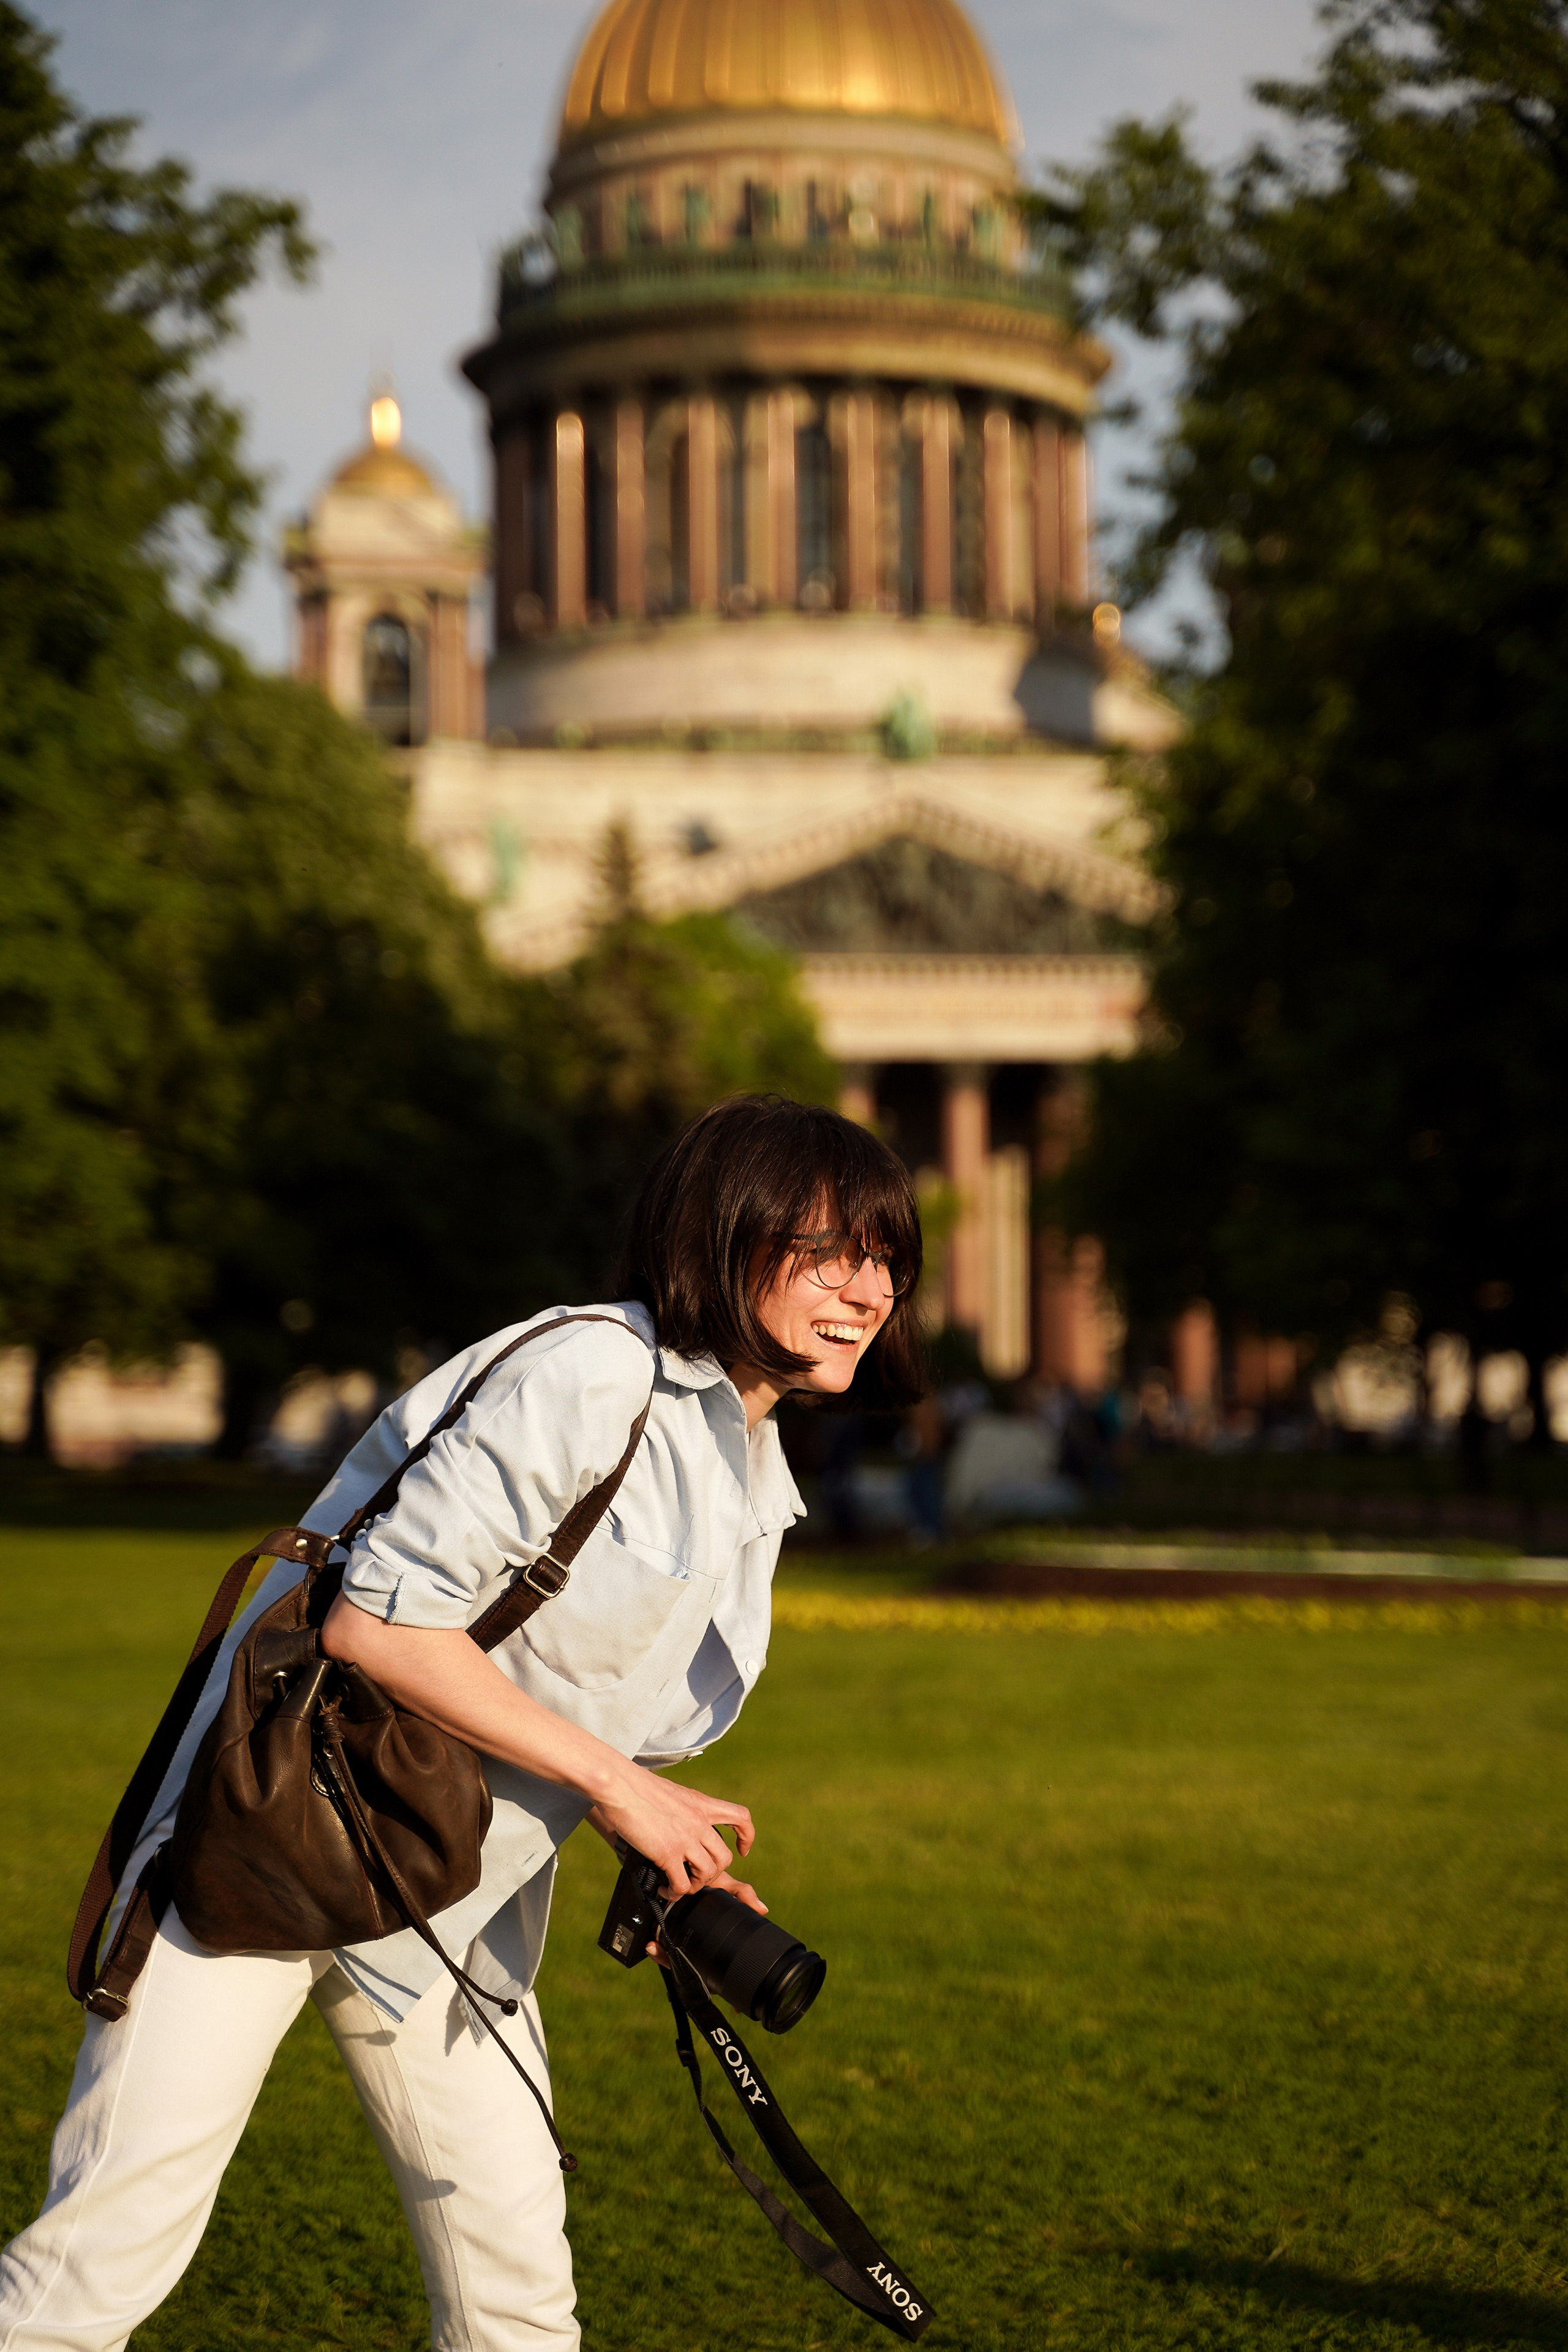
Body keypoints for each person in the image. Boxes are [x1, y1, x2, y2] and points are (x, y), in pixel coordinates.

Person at [0, 1095, 924, 2352]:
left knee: (515, 2302)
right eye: (825, 1250)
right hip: (263, 1843)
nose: (865, 1289)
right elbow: (376, 1626)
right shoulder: (596, 1371)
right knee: (92, 2273)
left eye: (881, 1256)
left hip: (447, 1901)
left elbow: (547, 1685)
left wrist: (648, 1838)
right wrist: (619, 1786)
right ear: (721, 1233)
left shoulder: (744, 1459)